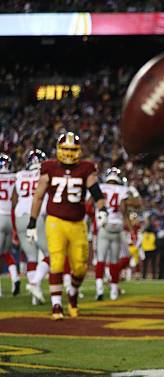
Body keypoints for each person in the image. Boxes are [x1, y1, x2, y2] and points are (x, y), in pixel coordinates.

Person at [27, 132, 108, 320]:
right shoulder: (49, 168)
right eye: (66, 149)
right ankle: (56, 305)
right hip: (55, 221)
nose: (69, 154)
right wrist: (32, 222)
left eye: (72, 150)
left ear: (79, 151)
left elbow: (96, 191)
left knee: (80, 266)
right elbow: (38, 196)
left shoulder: (86, 168)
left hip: (77, 223)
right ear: (58, 150)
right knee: (56, 261)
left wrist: (102, 209)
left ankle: (72, 293)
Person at [13, 149, 49, 305]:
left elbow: (14, 199)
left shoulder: (19, 175)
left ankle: (35, 296)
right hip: (37, 215)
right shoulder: (46, 174)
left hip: (20, 215)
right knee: (51, 254)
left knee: (31, 257)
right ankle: (35, 283)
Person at [95, 168, 132, 300]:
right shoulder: (122, 190)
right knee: (114, 261)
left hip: (104, 226)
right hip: (117, 225)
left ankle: (99, 290)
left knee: (100, 259)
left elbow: (90, 204)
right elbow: (122, 208)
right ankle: (114, 292)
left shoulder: (100, 187)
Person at [0, 154, 20, 297]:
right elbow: (15, 201)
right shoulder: (15, 177)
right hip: (10, 217)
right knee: (6, 253)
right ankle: (15, 278)